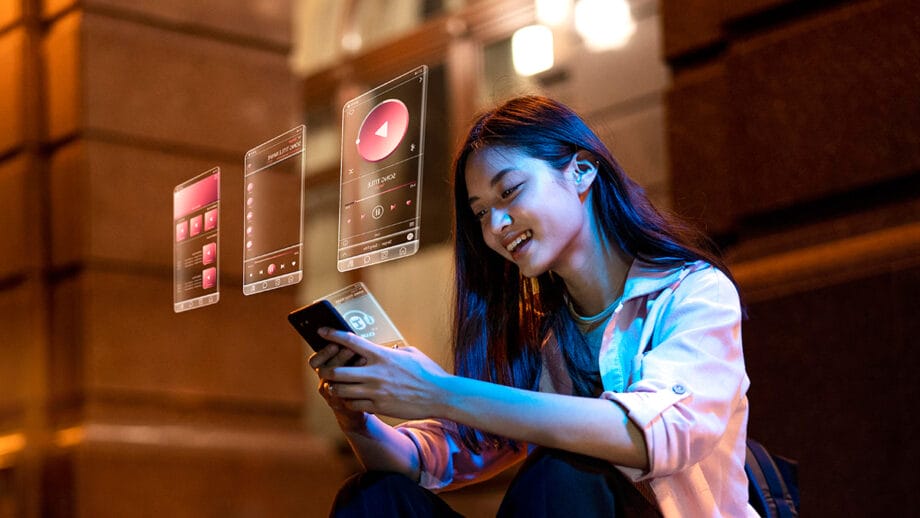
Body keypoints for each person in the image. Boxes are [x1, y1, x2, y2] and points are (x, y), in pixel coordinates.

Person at [309, 95, 756, 517]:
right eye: (480, 212)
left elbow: (659, 434)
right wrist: (357, 420)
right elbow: (431, 459)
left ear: (582, 171)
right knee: (375, 496)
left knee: (564, 470)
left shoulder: (694, 292)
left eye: (510, 191)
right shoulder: (540, 335)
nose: (496, 225)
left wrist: (440, 392)